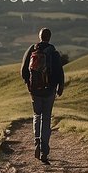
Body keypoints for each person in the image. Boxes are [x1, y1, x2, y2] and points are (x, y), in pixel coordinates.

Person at [21, 27, 64, 164]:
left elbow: (23, 70)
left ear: (39, 36)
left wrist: (28, 83)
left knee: (36, 116)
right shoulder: (54, 52)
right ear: (49, 37)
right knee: (46, 118)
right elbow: (59, 72)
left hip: (35, 91)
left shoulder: (32, 50)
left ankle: (37, 143)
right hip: (49, 90)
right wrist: (59, 86)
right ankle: (44, 150)